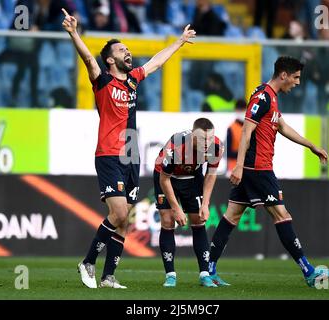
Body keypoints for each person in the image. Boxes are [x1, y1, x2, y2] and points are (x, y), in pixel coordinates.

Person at [61, 8, 197, 289]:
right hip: (109, 153)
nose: (128, 52)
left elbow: (156, 64)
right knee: (119, 214)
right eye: (122, 49)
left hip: (131, 154)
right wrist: (74, 32)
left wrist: (179, 42)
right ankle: (87, 261)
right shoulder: (102, 81)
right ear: (110, 59)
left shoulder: (133, 79)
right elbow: (88, 58)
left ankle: (109, 276)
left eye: (128, 49)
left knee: (125, 221)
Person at [208, 56, 329, 288]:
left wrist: (311, 146)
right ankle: (309, 271)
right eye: (296, 77)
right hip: (258, 169)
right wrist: (238, 166)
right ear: (283, 75)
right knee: (282, 215)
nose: (298, 82)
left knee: (231, 216)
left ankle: (209, 270)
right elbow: (246, 131)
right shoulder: (262, 97)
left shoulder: (271, 98)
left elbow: (282, 127)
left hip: (254, 168)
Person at [153, 118, 224, 288]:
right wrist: (176, 208)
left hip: (192, 177)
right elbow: (164, 179)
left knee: (199, 220)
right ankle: (170, 275)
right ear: (193, 136)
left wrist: (206, 204)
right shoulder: (177, 146)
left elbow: (211, 175)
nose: (206, 143)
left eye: (209, 138)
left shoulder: (217, 146)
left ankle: (205, 275)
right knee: (168, 220)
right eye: (201, 139)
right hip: (166, 178)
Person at [226, 99, 246, 175]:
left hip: (248, 169)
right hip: (233, 169)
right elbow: (228, 152)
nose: (241, 112)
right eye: (239, 109)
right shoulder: (231, 128)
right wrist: (244, 154)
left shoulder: (250, 128)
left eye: (243, 109)